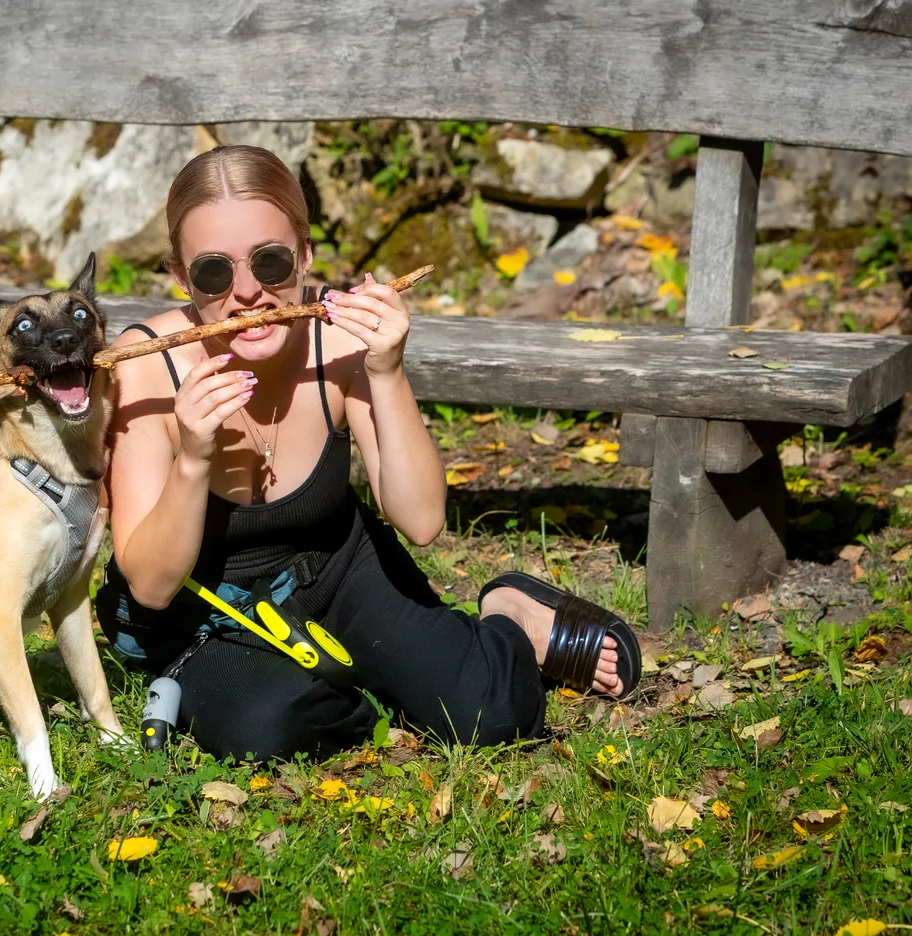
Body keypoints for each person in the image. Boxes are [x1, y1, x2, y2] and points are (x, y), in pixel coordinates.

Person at [94, 145, 640, 762]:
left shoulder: (339, 335)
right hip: (207, 611)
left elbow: (422, 521)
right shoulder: (147, 367)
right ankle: (345, 681)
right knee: (269, 733)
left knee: (493, 714)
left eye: (270, 263)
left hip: (336, 567)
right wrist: (193, 459)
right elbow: (151, 586)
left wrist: (386, 372)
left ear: (304, 255)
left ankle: (513, 617)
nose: (247, 293)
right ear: (180, 276)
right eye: (214, 273)